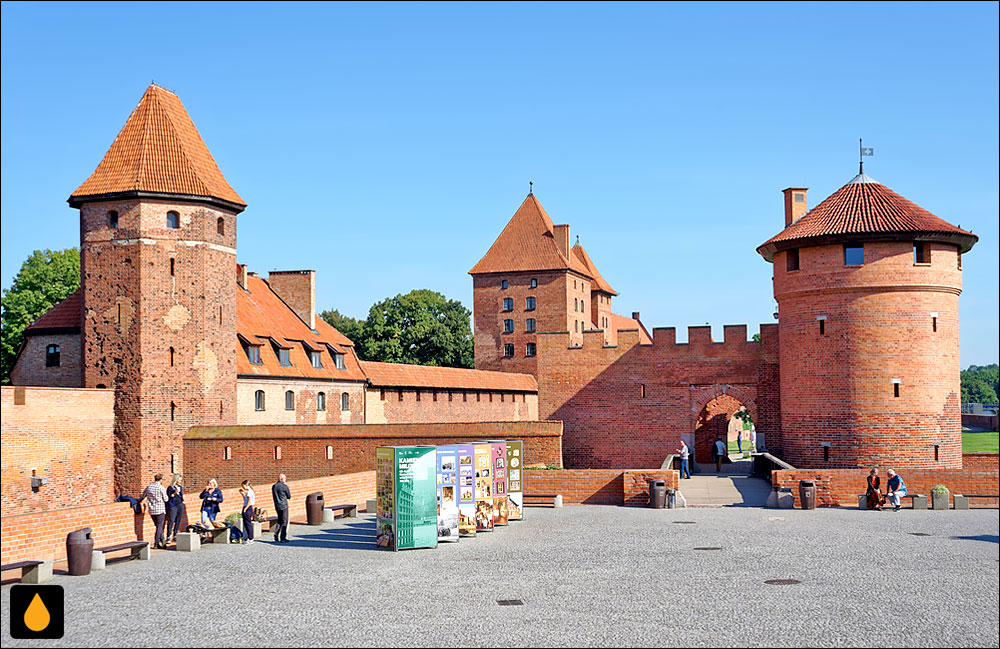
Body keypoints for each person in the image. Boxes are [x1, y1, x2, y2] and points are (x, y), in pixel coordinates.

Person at [138, 473, 169, 549]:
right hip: (160, 509)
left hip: (151, 509)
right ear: (161, 480)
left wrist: (137, 502)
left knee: (158, 526)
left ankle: (163, 542)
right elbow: (166, 499)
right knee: (159, 526)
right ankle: (156, 543)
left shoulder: (149, 487)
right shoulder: (161, 488)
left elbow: (142, 496)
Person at [165, 474, 186, 542]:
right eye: (178, 480)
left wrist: (182, 497)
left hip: (179, 504)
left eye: (180, 480)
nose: (179, 481)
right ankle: (168, 535)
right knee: (171, 520)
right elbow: (168, 497)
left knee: (178, 520)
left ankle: (175, 534)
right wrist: (174, 493)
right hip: (173, 505)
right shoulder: (170, 488)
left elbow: (182, 495)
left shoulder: (180, 487)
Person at [271, 473, 291, 543]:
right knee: (284, 521)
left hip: (277, 505)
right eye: (285, 478)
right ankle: (283, 537)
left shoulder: (274, 486)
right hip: (284, 505)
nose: (286, 480)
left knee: (279, 520)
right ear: (282, 479)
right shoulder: (284, 486)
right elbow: (289, 496)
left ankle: (276, 534)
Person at [240, 480, 256, 544]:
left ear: (246, 485)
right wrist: (242, 494)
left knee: (248, 524)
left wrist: (245, 508)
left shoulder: (249, 492)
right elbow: (246, 500)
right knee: (246, 523)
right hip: (248, 507)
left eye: (243, 486)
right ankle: (248, 537)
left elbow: (249, 501)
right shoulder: (250, 492)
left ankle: (250, 538)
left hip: (248, 508)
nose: (243, 487)